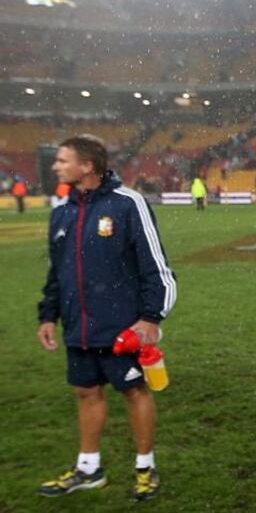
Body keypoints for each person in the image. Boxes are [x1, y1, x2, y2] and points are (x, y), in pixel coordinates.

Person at [36, 135, 176, 501]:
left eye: (62, 160)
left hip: (122, 328)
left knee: (134, 391)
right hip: (78, 326)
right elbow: (56, 272)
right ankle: (88, 469)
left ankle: (145, 467)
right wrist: (47, 315)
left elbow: (157, 269)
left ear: (87, 166)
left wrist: (151, 318)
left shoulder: (128, 204)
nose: (55, 166)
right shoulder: (61, 211)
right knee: (86, 392)